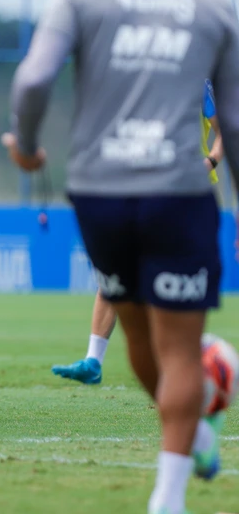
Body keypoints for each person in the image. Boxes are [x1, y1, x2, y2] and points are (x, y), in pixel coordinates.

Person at [7, 0, 239, 514]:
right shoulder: (213, 0)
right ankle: (168, 500)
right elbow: (235, 118)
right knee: (182, 349)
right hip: (179, 191)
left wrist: (27, 147)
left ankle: (189, 437)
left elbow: (32, 80)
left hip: (98, 192)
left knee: (137, 338)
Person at [52, 81, 224, 385]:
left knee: (172, 282)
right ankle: (93, 360)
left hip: (186, 194)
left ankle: (181, 367)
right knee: (116, 273)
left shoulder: (197, 80)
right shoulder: (135, 79)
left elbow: (225, 131)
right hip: (139, 189)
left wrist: (210, 161)